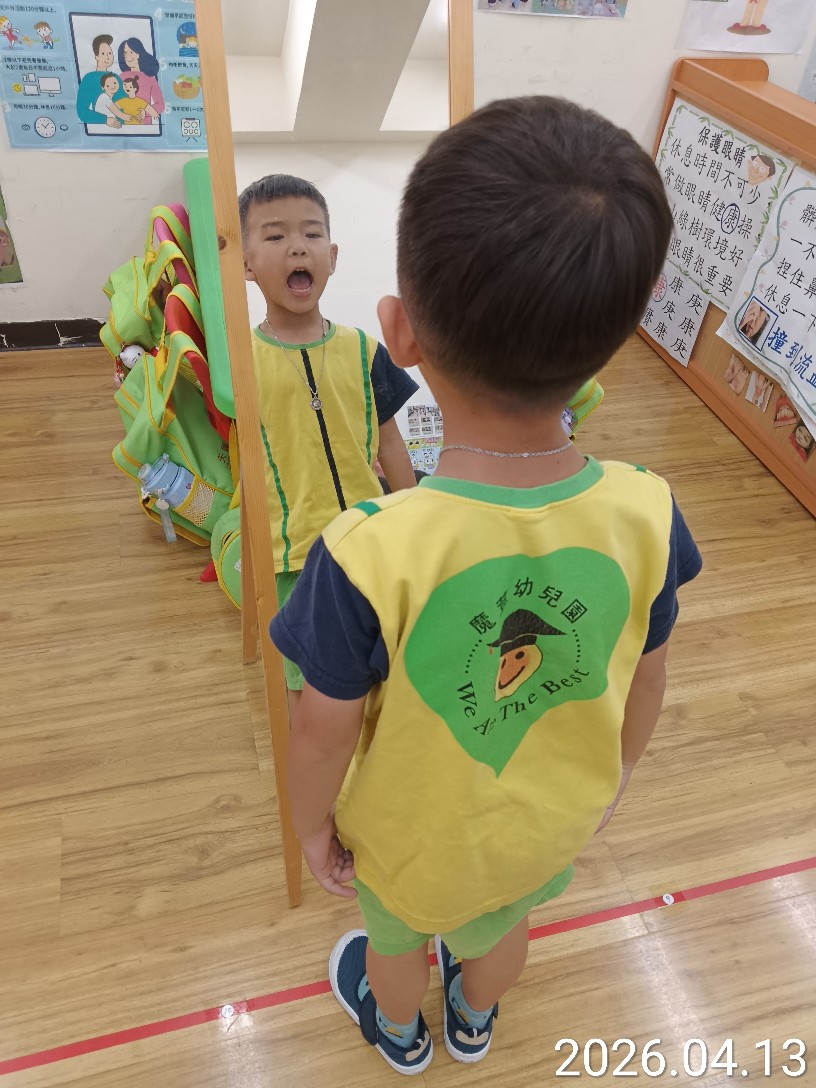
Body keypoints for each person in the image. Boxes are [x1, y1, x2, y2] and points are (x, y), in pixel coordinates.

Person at [269, 96, 702, 1075]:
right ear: (623, 331)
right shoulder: (649, 509)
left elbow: (321, 730)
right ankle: (472, 1016)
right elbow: (647, 674)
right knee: (502, 929)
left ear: (398, 333)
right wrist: (614, 780)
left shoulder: (364, 551)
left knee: (393, 946)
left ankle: (399, 1031)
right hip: (547, 821)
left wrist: (310, 827)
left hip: (408, 841)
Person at [239, 174, 418, 720]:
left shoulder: (363, 350)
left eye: (312, 234)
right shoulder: (241, 363)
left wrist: (414, 516)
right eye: (275, 236)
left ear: (332, 257)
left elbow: (391, 443)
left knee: (383, 658)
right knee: (306, 682)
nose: (298, 247)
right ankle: (313, 758)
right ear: (245, 264)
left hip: (369, 538)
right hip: (296, 553)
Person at [76, 34, 124, 128]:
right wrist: (105, 119)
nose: (108, 57)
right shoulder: (89, 79)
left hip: (122, 127)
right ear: (96, 56)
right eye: (103, 54)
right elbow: (82, 111)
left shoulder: (116, 78)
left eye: (110, 53)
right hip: (99, 127)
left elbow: (125, 102)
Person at [118, 38, 164, 122]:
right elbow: (115, 102)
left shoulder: (150, 79)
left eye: (131, 52)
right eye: (125, 53)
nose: (127, 56)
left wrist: (145, 112)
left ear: (138, 54)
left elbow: (161, 105)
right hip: (124, 124)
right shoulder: (121, 77)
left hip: (145, 125)